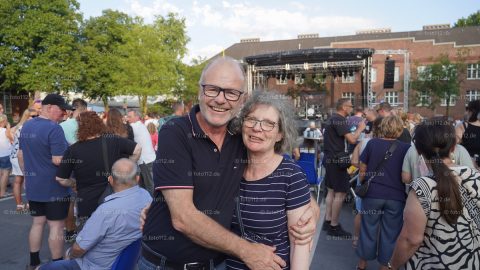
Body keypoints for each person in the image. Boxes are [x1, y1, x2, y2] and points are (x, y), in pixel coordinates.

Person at [140, 57, 319, 270]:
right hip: (169, 265)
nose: (220, 99)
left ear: (241, 100)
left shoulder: (239, 137)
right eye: (212, 89)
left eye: (231, 92)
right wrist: (247, 251)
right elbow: (183, 218)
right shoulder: (176, 132)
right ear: (200, 91)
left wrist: (312, 212)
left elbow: (284, 178)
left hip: (218, 263)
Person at [225, 90, 311, 269]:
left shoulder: (291, 176)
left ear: (280, 134)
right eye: (252, 120)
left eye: (268, 124)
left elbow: (300, 243)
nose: (257, 128)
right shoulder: (229, 169)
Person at [390, 119, 480, 270]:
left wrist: (391, 265)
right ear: (453, 147)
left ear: (418, 150)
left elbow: (411, 239)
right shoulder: (476, 177)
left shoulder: (422, 187)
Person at [39, 158, 152, 270]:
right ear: (137, 179)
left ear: (111, 180)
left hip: (94, 265)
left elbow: (78, 249)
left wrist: (70, 255)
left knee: (42, 268)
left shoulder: (106, 211)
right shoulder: (146, 196)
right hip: (126, 263)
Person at [18, 94, 72, 270]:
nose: (64, 113)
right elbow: (58, 160)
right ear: (49, 108)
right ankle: (58, 265)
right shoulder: (54, 128)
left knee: (37, 223)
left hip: (34, 186)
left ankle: (33, 263)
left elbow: (21, 155)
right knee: (56, 226)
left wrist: (27, 176)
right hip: (54, 186)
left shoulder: (27, 125)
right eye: (61, 109)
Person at [56, 111, 141, 220]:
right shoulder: (113, 140)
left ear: (80, 128)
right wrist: (126, 167)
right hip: (114, 199)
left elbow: (60, 178)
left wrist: (74, 183)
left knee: (91, 234)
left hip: (87, 203)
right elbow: (137, 149)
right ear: (99, 124)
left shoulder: (73, 150)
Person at [355, 115, 410, 270]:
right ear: (400, 130)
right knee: (391, 232)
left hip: (373, 193)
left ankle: (362, 264)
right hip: (396, 196)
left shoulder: (372, 144)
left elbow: (362, 168)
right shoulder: (406, 148)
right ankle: (385, 266)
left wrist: (364, 182)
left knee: (368, 228)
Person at [322, 98, 365, 237]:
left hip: (329, 159)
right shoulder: (339, 119)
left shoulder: (331, 119)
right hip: (337, 161)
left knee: (331, 191)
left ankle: (328, 221)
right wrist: (360, 129)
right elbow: (352, 139)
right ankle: (334, 226)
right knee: (340, 193)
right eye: (350, 106)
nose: (352, 109)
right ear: (344, 107)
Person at [350, 116, 383, 249]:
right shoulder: (390, 143)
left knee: (360, 211)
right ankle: (375, 241)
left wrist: (363, 167)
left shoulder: (363, 142)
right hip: (381, 182)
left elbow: (353, 161)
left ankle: (356, 239)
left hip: (363, 180)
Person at [10, 109, 35, 211]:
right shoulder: (27, 128)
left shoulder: (18, 127)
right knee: (28, 179)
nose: (35, 118)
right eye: (33, 116)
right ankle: (29, 203)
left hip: (14, 155)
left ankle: (19, 205)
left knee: (18, 180)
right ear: (27, 117)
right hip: (23, 155)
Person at [127, 110, 156, 195]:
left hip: (145, 161)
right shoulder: (141, 125)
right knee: (146, 185)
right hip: (148, 159)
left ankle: (153, 205)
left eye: (130, 117)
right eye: (127, 116)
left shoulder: (134, 126)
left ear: (137, 117)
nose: (127, 119)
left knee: (149, 186)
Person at [455, 99, 480, 166]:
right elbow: (452, 146)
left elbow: (451, 146)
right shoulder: (463, 126)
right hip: (468, 168)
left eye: (468, 110)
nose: (466, 112)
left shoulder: (463, 126)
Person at [0, 114, 12, 198]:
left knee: (1, 173)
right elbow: (12, 139)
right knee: (5, 174)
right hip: (5, 155)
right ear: (4, 121)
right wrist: (8, 127)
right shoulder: (5, 131)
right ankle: (2, 192)